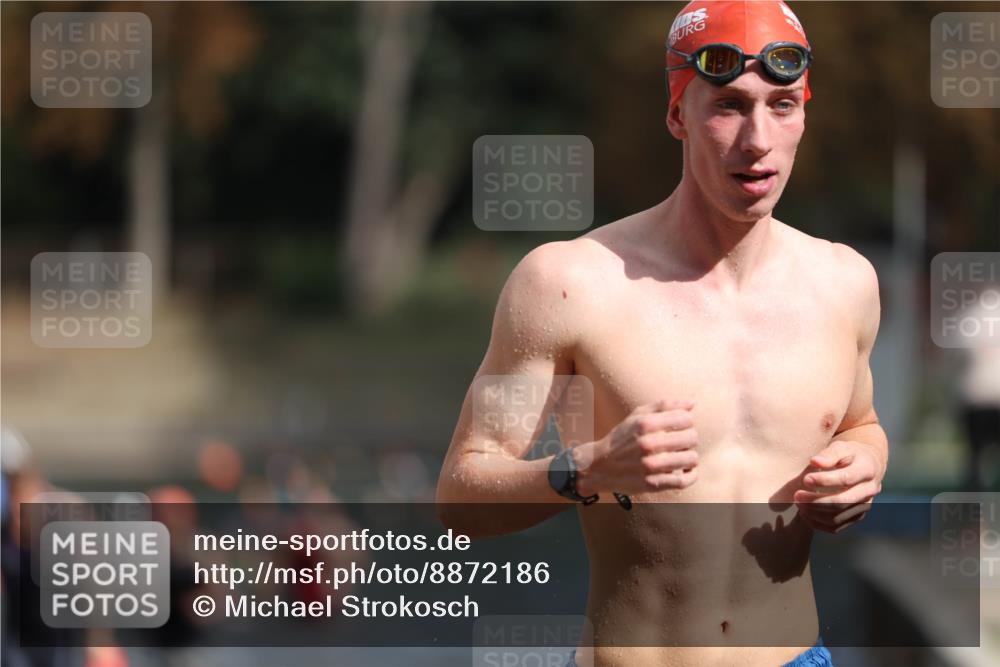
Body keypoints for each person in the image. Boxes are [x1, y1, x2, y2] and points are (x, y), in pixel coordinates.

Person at [437, 2, 888, 666]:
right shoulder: (568, 286)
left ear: (802, 116)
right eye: (728, 105)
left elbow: (861, 421)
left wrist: (866, 463)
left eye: (782, 105)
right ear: (678, 114)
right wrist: (590, 469)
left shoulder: (845, 283)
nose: (758, 139)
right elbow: (459, 495)